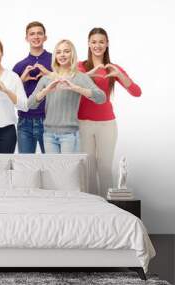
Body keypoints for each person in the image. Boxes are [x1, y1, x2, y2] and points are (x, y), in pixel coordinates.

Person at [78, 27, 141, 197]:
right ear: (88, 44)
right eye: (94, 42)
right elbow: (72, 85)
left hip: (107, 124)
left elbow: (136, 92)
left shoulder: (113, 68)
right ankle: (91, 207)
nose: (97, 45)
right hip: (83, 123)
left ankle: (108, 207)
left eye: (101, 42)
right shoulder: (80, 66)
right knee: (88, 169)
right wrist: (91, 74)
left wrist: (120, 75)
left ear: (107, 44)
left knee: (105, 168)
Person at [28, 39, 105, 154]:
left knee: (69, 172)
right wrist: (46, 90)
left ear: (72, 54)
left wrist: (76, 88)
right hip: (48, 135)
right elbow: (30, 104)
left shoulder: (79, 77)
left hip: (69, 136)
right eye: (58, 52)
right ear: (55, 56)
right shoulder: (47, 78)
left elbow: (101, 97)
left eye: (66, 51)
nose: (62, 55)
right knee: (53, 172)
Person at [13, 21, 52, 153]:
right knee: (25, 165)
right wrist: (21, 81)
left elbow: (66, 83)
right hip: (25, 122)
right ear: (27, 38)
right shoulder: (19, 66)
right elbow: (11, 96)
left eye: (39, 33)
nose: (36, 37)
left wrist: (49, 74)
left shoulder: (55, 61)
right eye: (32, 34)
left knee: (52, 164)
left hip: (49, 120)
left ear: (45, 37)